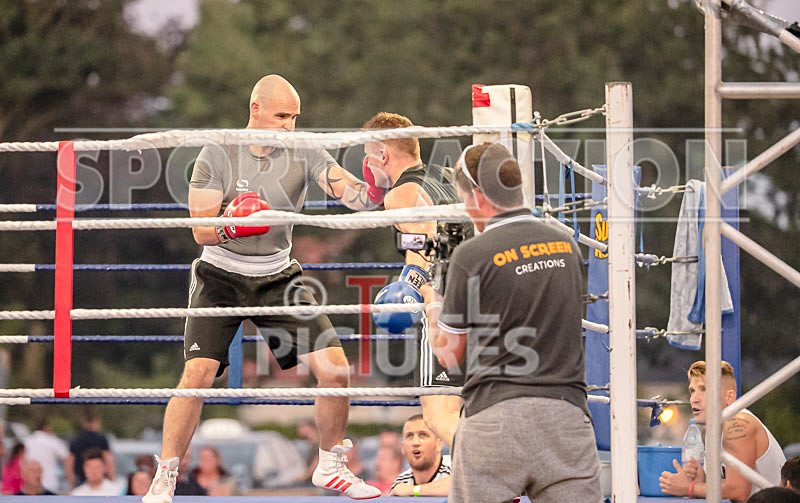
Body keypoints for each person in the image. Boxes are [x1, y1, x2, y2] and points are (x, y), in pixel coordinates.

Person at [143, 74, 381, 503]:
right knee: (197, 375)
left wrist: (376, 183)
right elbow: (200, 229)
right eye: (282, 115)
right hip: (220, 275)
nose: (290, 125)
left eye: (295, 117)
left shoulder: (305, 149)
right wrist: (231, 223)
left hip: (278, 275)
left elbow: (349, 193)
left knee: (336, 369)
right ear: (255, 110)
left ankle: (330, 466)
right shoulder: (217, 152)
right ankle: (166, 475)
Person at [420, 142, 601, 502]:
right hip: (566, 416)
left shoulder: (472, 255)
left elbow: (450, 354)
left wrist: (431, 305)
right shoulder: (567, 245)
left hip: (495, 418)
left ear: (477, 196)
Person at [363, 112, 468, 448]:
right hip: (487, 291)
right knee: (475, 408)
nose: (366, 163)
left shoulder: (399, 196)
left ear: (383, 155)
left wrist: (410, 289)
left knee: (439, 413)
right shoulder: (449, 176)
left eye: (367, 154)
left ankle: (494, 482)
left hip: (447, 303)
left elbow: (426, 250)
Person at [659, 361, 787, 501]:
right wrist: (702, 481)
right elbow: (725, 487)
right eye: (692, 391)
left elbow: (738, 491)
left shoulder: (739, 423)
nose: (694, 399)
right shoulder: (710, 431)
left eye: (704, 389)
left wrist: (690, 488)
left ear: (729, 398)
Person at [390, 414, 450, 497]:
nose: (415, 442)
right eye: (409, 436)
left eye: (423, 435)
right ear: (402, 448)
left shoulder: (454, 466)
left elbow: (460, 485)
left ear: (438, 444)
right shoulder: (402, 482)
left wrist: (413, 490)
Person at [65, 410, 115, 489]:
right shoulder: (101, 439)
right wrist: (111, 477)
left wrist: (70, 480)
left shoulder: (76, 439)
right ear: (96, 422)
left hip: (79, 478)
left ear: (84, 422)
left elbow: (69, 461)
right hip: (99, 478)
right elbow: (108, 459)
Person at [24, 417, 69, 494]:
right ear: (46, 427)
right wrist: (68, 476)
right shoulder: (52, 440)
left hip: (31, 484)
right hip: (50, 483)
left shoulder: (27, 441)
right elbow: (67, 456)